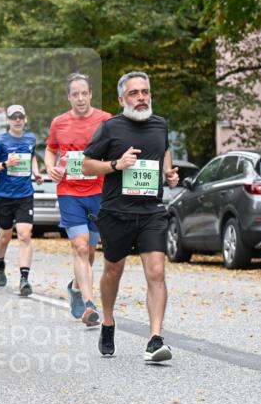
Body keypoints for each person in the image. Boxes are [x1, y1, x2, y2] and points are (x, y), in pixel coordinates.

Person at [81, 71, 179, 362]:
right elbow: (86, 165)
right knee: (113, 271)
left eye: (145, 92)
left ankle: (155, 339)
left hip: (151, 212)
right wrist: (116, 163)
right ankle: (108, 322)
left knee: (157, 272)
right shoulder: (110, 128)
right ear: (122, 98)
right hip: (116, 212)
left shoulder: (160, 125)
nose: (141, 98)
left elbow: (164, 152)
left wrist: (169, 173)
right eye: (134, 93)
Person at [45, 72, 111, 327]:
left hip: (99, 191)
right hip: (69, 192)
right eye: (75, 94)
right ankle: (89, 305)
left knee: (91, 252)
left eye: (84, 93)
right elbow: (51, 151)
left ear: (91, 94)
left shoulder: (105, 120)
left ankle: (75, 287)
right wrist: (51, 167)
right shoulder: (59, 123)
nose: (80, 98)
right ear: (69, 97)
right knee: (81, 247)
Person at [0, 104, 43, 296]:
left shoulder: (31, 138)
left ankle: (24, 279)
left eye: (21, 116)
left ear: (25, 119)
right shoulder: (0, 142)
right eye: (14, 117)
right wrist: (5, 164)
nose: (17, 120)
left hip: (25, 195)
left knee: (25, 235)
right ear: (8, 120)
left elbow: (32, 156)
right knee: (5, 237)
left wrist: (36, 172)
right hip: (4, 196)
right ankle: (0, 263)